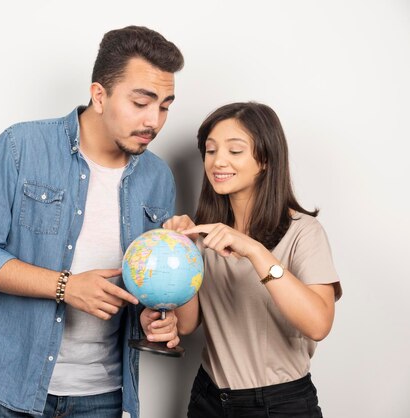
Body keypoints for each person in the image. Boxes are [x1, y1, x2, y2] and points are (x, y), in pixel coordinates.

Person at [0, 26, 184, 418]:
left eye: (164, 106)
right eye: (141, 102)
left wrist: (156, 316)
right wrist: (66, 287)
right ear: (99, 95)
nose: (154, 121)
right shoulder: (20, 145)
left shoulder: (157, 177)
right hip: (1, 382)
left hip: (101, 396)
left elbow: (145, 279)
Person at [145, 102, 342, 417]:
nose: (218, 161)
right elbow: (187, 323)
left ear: (265, 159)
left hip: (279, 405)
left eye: (235, 151)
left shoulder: (304, 232)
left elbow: (318, 324)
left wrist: (254, 250)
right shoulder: (206, 236)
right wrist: (181, 252)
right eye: (210, 151)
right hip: (208, 399)